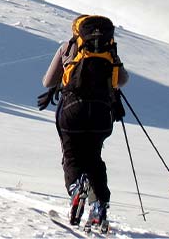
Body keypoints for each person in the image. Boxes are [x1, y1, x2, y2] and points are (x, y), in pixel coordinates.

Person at [42, 15, 128, 230]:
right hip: (101, 112)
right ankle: (99, 205)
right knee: (94, 158)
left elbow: (48, 81)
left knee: (71, 154)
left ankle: (75, 187)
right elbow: (123, 79)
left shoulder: (68, 47)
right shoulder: (109, 50)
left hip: (72, 110)